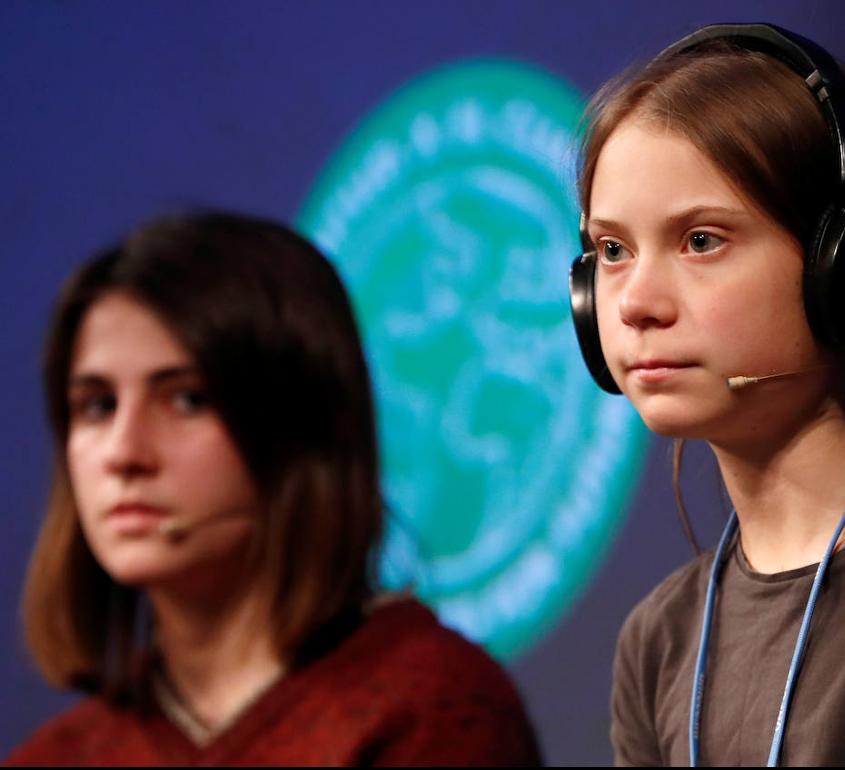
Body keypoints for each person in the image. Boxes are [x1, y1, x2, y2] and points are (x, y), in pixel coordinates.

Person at [568, 23, 845, 766]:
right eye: (613, 251)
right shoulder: (659, 638)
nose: (633, 304)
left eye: (700, 241)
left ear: (844, 273)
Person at [6, 211, 541, 766]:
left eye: (187, 399)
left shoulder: (431, 711)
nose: (124, 453)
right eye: (97, 406)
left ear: (300, 426)